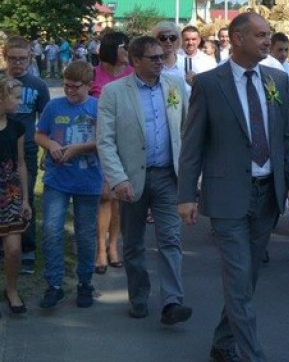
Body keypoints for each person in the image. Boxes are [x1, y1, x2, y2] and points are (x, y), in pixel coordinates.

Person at [178, 12, 289, 362]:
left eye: (269, 35)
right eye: (260, 35)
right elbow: (193, 142)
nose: (268, 41)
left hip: (267, 195)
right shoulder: (210, 84)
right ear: (236, 38)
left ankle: (221, 341)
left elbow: (288, 136)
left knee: (245, 282)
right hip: (228, 196)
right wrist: (186, 195)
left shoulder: (278, 79)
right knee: (237, 279)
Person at [96, 35, 192, 323]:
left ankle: (172, 302)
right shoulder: (114, 92)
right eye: (154, 58)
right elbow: (105, 140)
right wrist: (117, 178)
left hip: (166, 175)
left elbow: (186, 130)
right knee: (134, 243)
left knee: (171, 240)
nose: (160, 62)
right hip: (131, 179)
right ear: (136, 60)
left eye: (162, 57)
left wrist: (189, 177)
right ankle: (138, 297)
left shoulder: (175, 87)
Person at [35, 61, 102, 311]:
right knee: (52, 230)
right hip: (57, 180)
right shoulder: (54, 106)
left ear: (89, 85)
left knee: (85, 234)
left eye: (75, 87)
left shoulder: (97, 108)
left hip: (88, 181)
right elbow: (39, 133)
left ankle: (85, 282)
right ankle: (53, 284)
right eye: (66, 86)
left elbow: (105, 140)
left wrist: (79, 149)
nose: (69, 91)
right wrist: (50, 145)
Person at [2, 36, 50, 274]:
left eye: (22, 59)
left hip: (27, 149)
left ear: (30, 58)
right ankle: (5, 245)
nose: (17, 63)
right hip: (2, 147)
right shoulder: (1, 82)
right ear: (5, 57)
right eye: (13, 59)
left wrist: (46, 150)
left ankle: (27, 248)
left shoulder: (38, 86)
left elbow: (46, 119)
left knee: (24, 197)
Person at [90, 31, 133, 274]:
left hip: (125, 142)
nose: (127, 51)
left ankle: (114, 246)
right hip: (99, 141)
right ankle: (100, 249)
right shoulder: (94, 74)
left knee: (117, 198)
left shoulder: (131, 74)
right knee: (104, 196)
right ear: (111, 49)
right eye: (123, 47)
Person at [0, 77, 31, 315]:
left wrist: (26, 199)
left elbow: (20, 163)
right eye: (16, 97)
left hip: (10, 193)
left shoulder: (16, 127)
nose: (20, 102)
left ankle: (11, 289)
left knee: (13, 249)